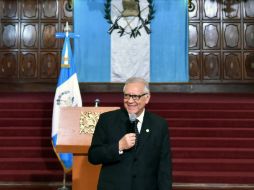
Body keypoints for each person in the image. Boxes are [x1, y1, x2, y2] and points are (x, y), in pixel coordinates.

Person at [88, 77, 172, 190]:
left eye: (135, 96)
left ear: (147, 98)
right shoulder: (107, 120)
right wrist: (119, 146)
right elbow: (93, 156)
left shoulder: (159, 125)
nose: (130, 101)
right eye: (126, 95)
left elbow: (164, 167)